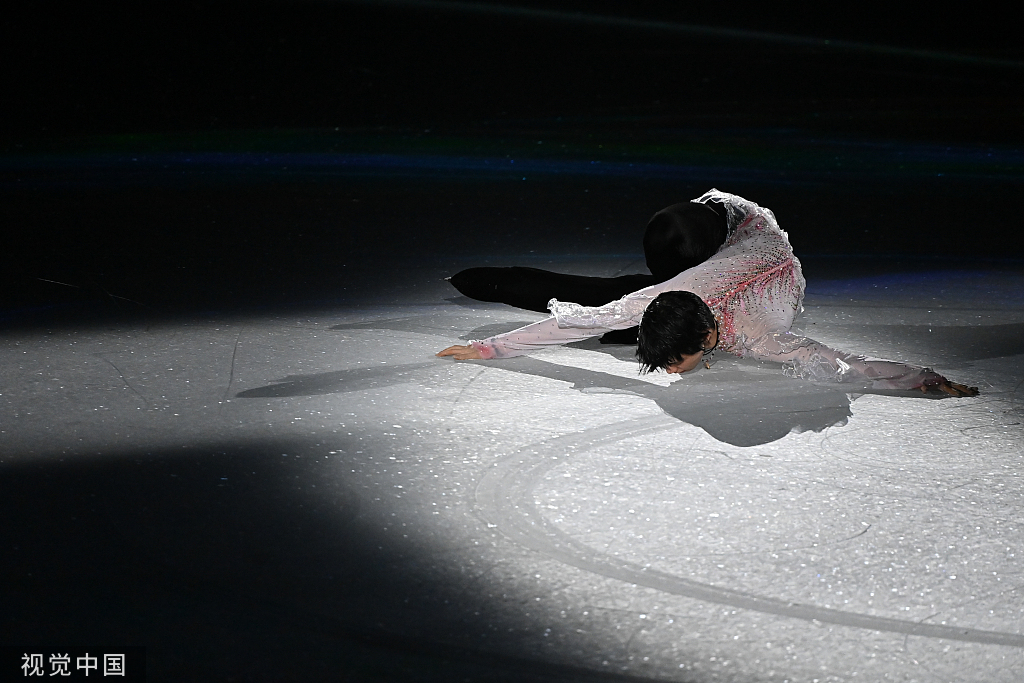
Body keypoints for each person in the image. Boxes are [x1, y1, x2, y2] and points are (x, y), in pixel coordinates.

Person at [437, 189, 978, 397]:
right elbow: (578, 322)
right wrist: (492, 348)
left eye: (678, 360)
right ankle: (486, 279)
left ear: (714, 336)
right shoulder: (655, 300)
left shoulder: (761, 338)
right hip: (720, 242)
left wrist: (926, 381)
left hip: (759, 251)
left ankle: (489, 279)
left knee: (610, 305)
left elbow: (850, 365)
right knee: (616, 300)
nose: (672, 372)